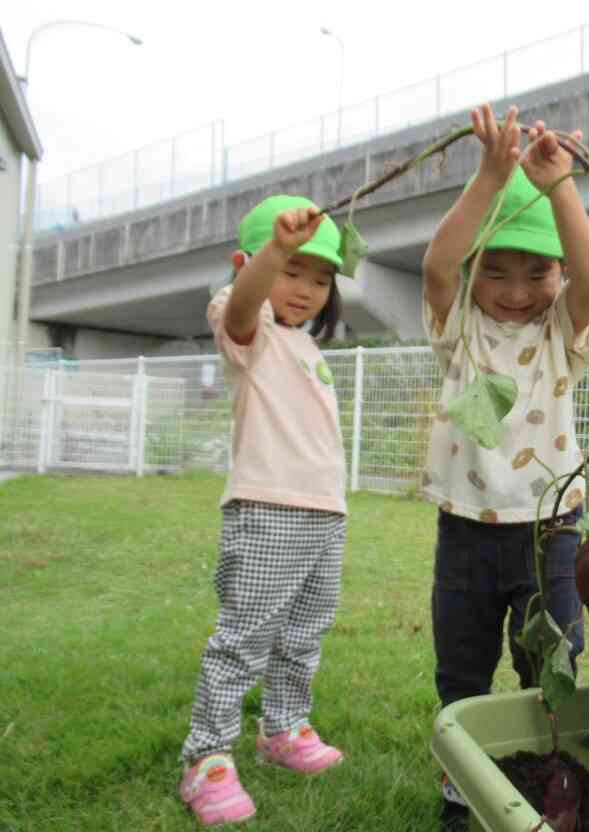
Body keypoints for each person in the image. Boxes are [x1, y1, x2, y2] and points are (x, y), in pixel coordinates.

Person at [421, 103, 589, 810]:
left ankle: (544, 769)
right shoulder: (458, 330)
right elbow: (439, 262)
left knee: (550, 660)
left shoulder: (563, 335)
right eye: (495, 271)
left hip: (549, 531)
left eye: (536, 273)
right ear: (474, 276)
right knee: (461, 667)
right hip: (464, 527)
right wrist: (490, 176)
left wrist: (560, 185)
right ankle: (461, 780)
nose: (515, 290)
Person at [178, 195, 349, 826]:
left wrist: (335, 510)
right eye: (291, 270)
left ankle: (283, 727)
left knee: (304, 634)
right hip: (267, 511)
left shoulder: (306, 348)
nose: (306, 289)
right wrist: (272, 252)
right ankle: (207, 758)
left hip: (324, 514)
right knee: (243, 639)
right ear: (247, 263)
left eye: (320, 277)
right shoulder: (243, 326)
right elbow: (247, 299)